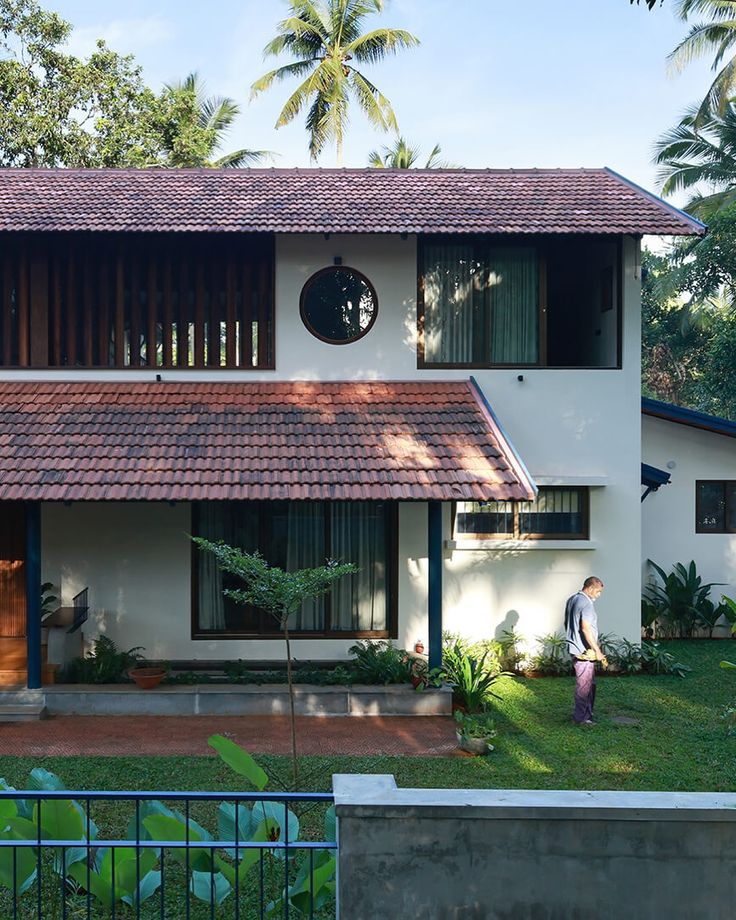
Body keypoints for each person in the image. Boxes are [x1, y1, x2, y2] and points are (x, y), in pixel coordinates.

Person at [564, 576, 605, 726]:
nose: (599, 595)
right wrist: (597, 650)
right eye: (598, 591)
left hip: (575, 647)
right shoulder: (586, 604)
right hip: (584, 651)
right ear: (591, 588)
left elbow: (567, 623)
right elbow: (585, 629)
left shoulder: (572, 599)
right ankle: (581, 718)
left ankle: (587, 713)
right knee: (584, 685)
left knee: (589, 683)